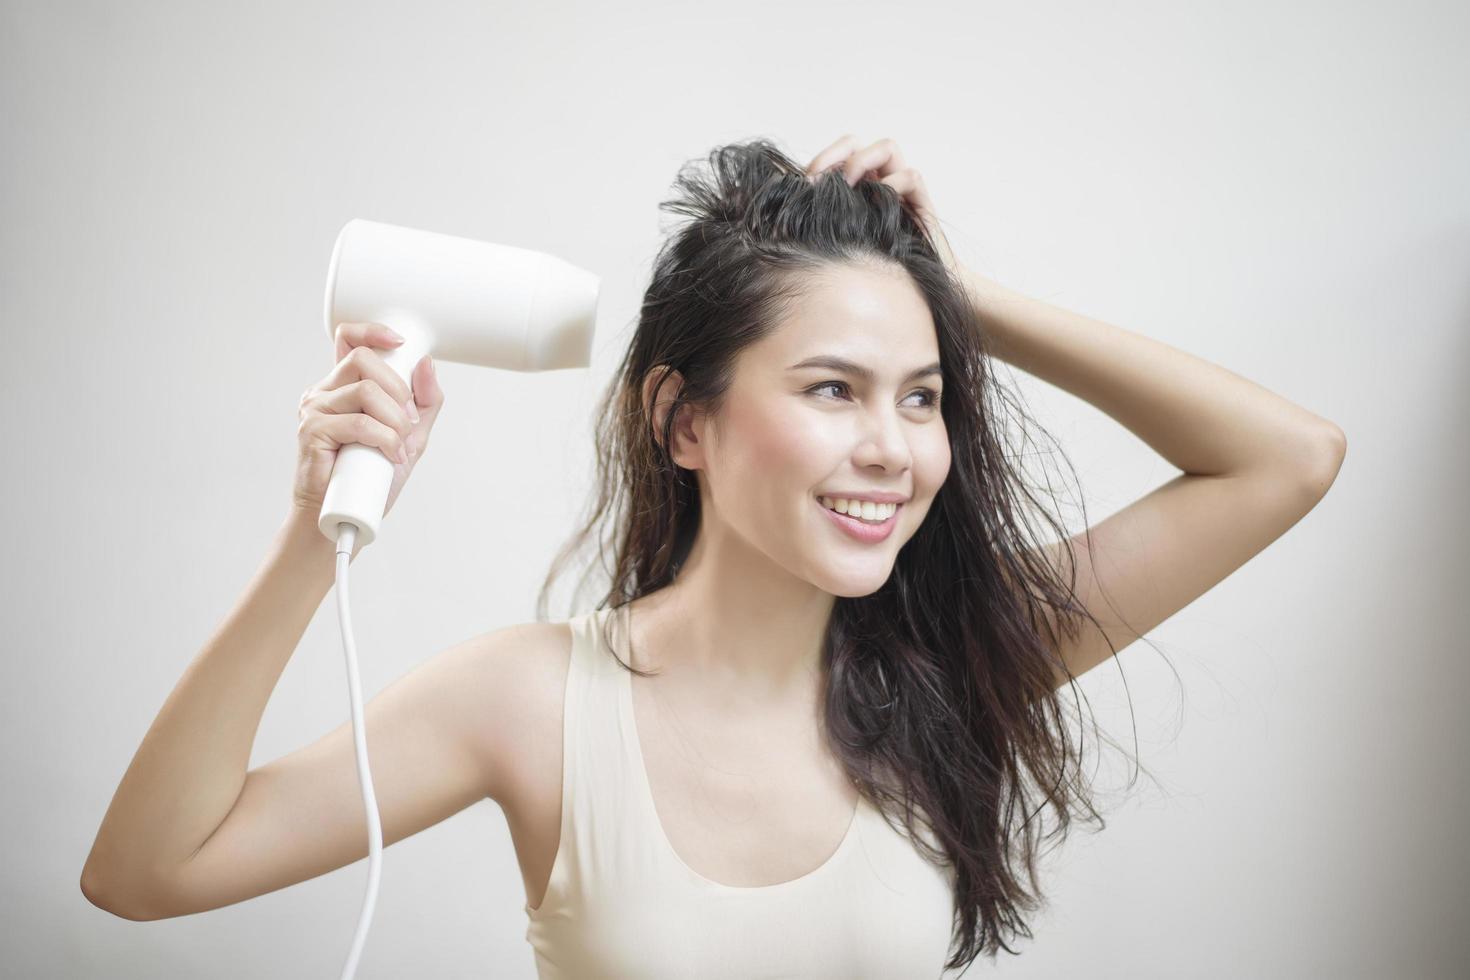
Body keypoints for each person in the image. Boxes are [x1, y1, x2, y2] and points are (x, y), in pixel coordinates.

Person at [80, 135, 1346, 978]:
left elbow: (1285, 458)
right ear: (683, 419)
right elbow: (146, 872)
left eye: (920, 397)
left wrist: (955, 293)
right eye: (834, 387)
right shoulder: (530, 700)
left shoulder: (954, 672)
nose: (893, 448)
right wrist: (316, 536)